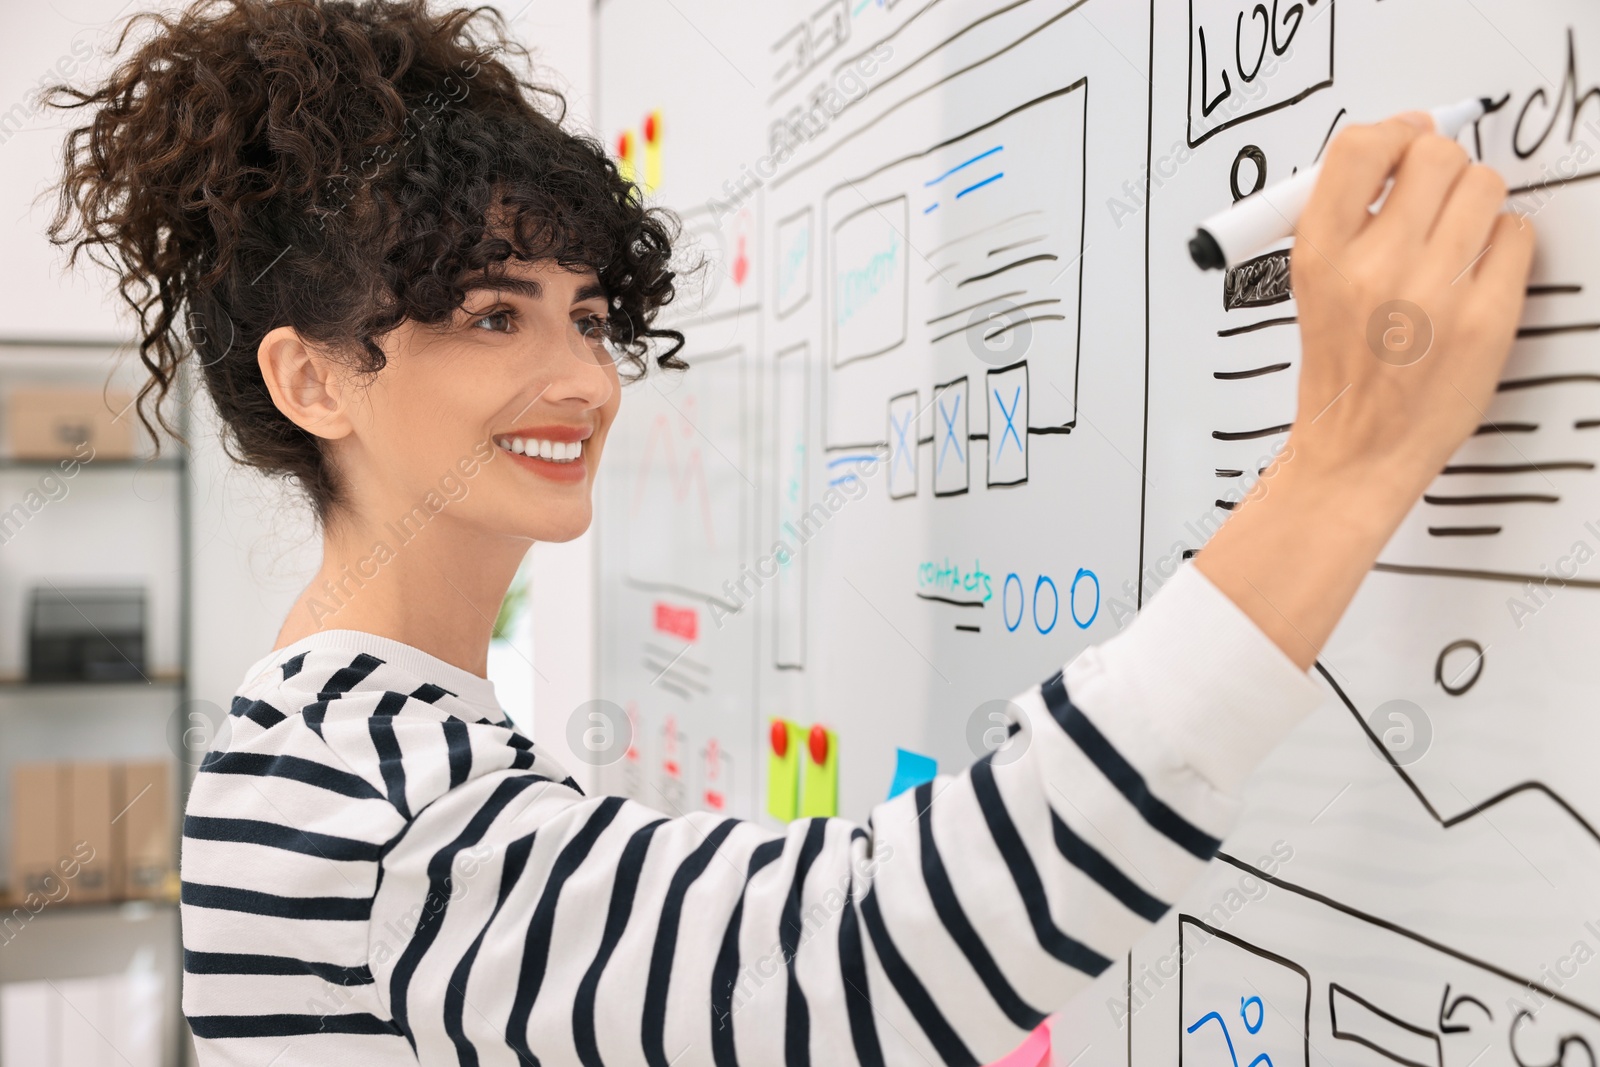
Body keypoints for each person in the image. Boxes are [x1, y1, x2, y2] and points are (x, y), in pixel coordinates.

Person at [47, 1, 1533, 1063]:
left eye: (589, 314)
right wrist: (1346, 458)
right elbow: (876, 959)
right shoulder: (380, 797)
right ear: (314, 378)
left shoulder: (352, 732)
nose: (581, 378)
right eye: (491, 316)